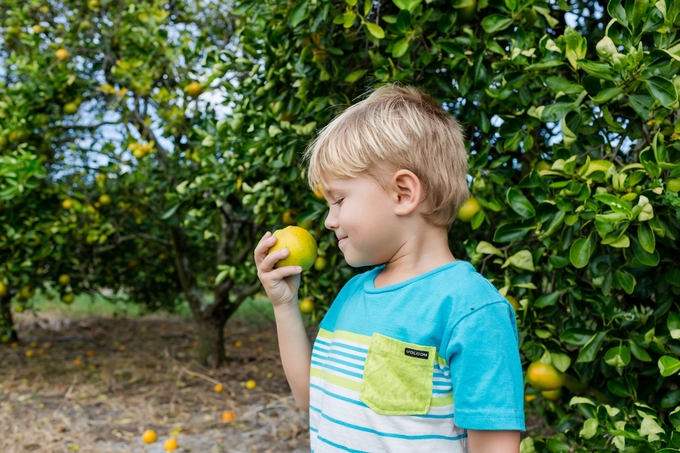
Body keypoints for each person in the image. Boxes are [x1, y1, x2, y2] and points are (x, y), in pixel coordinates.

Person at [254, 84, 525, 452]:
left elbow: (494, 447)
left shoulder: (471, 310)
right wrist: (284, 305)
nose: (330, 221)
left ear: (403, 193)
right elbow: (310, 399)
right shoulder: (351, 296)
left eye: (338, 200)